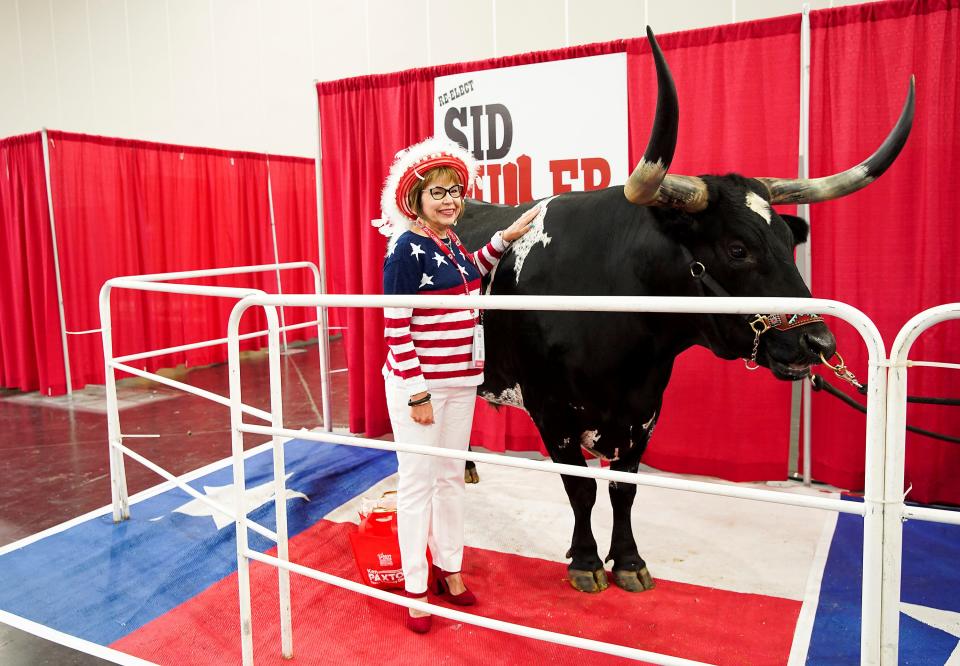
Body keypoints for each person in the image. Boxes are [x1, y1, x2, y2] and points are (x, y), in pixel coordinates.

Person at [376, 137, 539, 633]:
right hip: (420, 387)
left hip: (461, 381)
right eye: (438, 193)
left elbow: (472, 272)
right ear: (417, 200)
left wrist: (505, 237)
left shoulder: (450, 243)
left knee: (450, 477)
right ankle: (415, 588)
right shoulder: (407, 249)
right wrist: (417, 390)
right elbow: (394, 325)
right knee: (417, 484)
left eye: (455, 192)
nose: (450, 201)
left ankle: (450, 569)